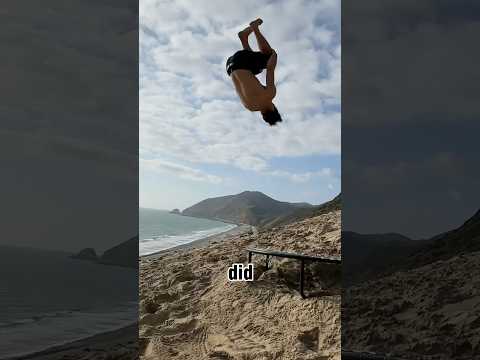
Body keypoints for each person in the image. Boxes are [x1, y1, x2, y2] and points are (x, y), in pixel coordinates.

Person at [226, 19, 282, 126]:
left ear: (274, 108)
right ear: (263, 115)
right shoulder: (250, 107)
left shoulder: (270, 95)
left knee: (267, 57)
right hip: (230, 67)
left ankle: (255, 27)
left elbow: (270, 69)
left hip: (240, 61)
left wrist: (274, 55)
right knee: (256, 69)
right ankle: (243, 38)